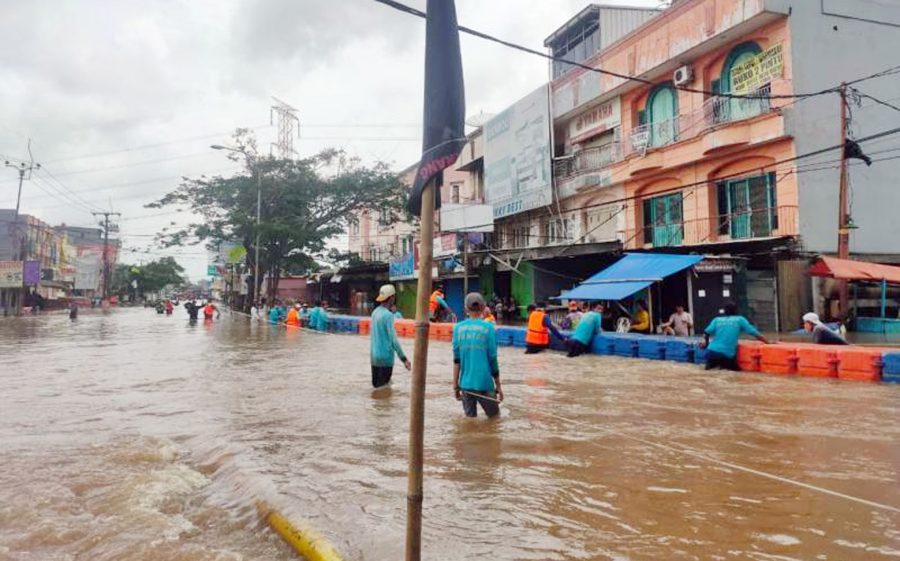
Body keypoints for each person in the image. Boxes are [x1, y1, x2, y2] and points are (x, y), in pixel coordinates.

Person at [453, 292, 503, 418]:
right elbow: (493, 359)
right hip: (485, 383)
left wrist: (455, 386)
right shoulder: (489, 328)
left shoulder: (458, 328)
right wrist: (498, 386)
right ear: (483, 308)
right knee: (495, 420)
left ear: (466, 309)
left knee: (470, 423)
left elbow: (456, 360)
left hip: (465, 385)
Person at [700, 302, 770, 370]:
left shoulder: (717, 320)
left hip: (712, 352)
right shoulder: (740, 320)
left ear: (725, 311)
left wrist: (706, 343)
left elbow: (706, 333)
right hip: (726, 355)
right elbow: (754, 333)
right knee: (737, 374)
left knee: (711, 372)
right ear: (736, 311)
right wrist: (768, 342)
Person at [370, 285, 411, 387]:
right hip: (386, 359)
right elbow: (394, 340)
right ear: (392, 297)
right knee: (384, 389)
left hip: (374, 357)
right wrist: (404, 359)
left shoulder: (374, 313)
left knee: (377, 388)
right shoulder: (388, 316)